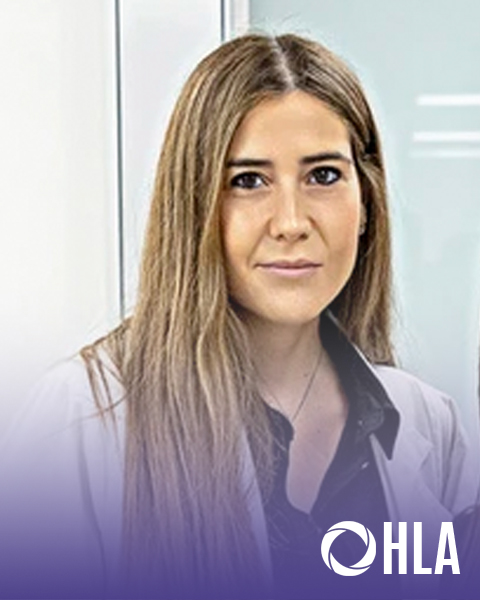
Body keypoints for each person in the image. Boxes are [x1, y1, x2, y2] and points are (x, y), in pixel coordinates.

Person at [0, 33, 477, 600]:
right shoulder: (82, 419)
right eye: (248, 181)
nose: (291, 222)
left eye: (323, 175)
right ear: (194, 206)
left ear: (367, 203)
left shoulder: (427, 425)